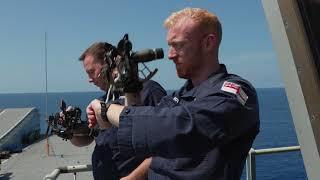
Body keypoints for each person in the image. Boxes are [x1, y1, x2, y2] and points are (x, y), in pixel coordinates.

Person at [87, 7, 260, 180]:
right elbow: (151, 130)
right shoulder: (180, 96)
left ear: (208, 43)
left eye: (178, 45)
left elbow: (177, 129)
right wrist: (131, 87)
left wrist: (106, 111)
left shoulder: (234, 93)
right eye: (170, 46)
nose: (170, 55)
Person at [70, 42, 166, 180]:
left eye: (91, 72)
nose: (89, 80)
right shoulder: (104, 101)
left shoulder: (149, 91)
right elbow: (87, 138)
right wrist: (70, 130)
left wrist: (133, 178)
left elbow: (166, 146)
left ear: (108, 64)